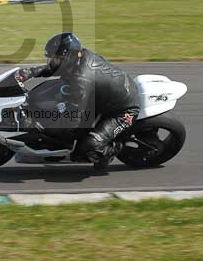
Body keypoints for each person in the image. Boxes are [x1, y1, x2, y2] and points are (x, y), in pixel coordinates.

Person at [15, 32, 140, 173]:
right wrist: (29, 72)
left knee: (88, 147)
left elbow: (72, 122)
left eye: (55, 58)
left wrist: (38, 126)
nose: (51, 61)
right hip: (104, 97)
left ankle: (113, 149)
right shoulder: (79, 57)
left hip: (123, 110)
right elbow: (55, 67)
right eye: (51, 58)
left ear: (68, 57)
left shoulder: (80, 80)